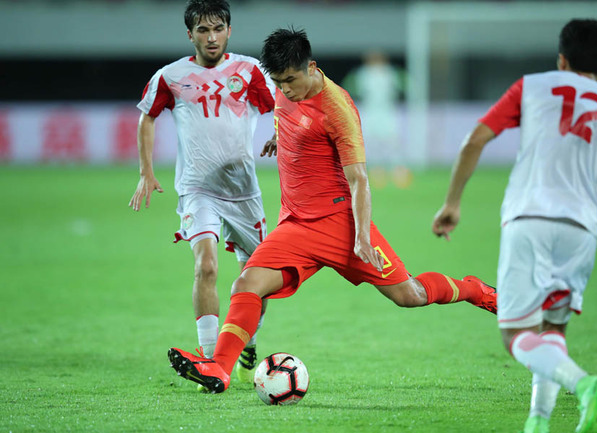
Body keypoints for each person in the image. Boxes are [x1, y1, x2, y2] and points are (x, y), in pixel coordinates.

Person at [166, 27, 497, 395]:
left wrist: (361, 237)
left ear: (311, 67)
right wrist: (280, 136)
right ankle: (220, 369)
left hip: (339, 225)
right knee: (246, 283)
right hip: (295, 225)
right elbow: (289, 113)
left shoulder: (338, 108)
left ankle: (474, 290)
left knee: (410, 296)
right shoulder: (283, 87)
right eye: (279, 81)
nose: (285, 89)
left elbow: (359, 180)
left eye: (291, 80)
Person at [432, 19, 597, 433]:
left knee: (516, 335)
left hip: (528, 218)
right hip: (582, 231)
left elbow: (475, 139)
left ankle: (584, 384)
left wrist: (453, 203)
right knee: (553, 328)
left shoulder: (532, 86)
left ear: (561, 58)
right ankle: (537, 423)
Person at [128, 0, 276, 384]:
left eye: (218, 29)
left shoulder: (249, 70)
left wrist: (279, 131)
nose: (211, 38)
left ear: (229, 30)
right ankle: (211, 358)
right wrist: (146, 171)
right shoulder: (171, 76)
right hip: (197, 189)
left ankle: (249, 342)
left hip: (244, 192)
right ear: (190, 34)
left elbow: (282, 104)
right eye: (203, 30)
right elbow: (147, 116)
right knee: (206, 265)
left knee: (255, 278)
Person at [342, 50, 411, 189]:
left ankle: (399, 173)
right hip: (371, 112)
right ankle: (377, 174)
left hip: (387, 112)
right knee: (372, 144)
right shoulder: (363, 74)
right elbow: (349, 87)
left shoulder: (390, 73)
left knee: (393, 143)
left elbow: (406, 83)